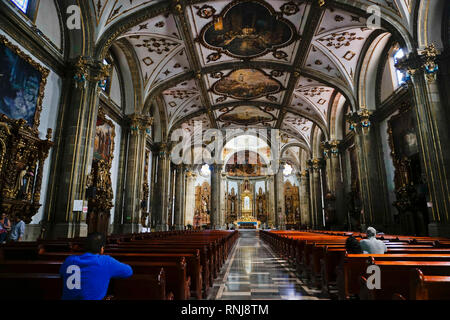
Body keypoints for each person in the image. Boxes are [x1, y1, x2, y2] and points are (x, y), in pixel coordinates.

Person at [59, 232, 133, 300]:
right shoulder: (106, 261)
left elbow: (62, 274)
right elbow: (128, 271)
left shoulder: (69, 260)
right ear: (102, 249)